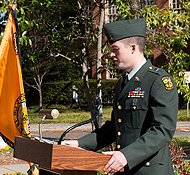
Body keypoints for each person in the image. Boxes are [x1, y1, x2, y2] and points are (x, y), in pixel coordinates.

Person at [62, 18, 178, 175]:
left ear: (132, 48)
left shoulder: (158, 81)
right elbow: (115, 128)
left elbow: (163, 130)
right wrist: (79, 143)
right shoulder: (124, 82)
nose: (110, 54)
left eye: (115, 49)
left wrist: (126, 155)